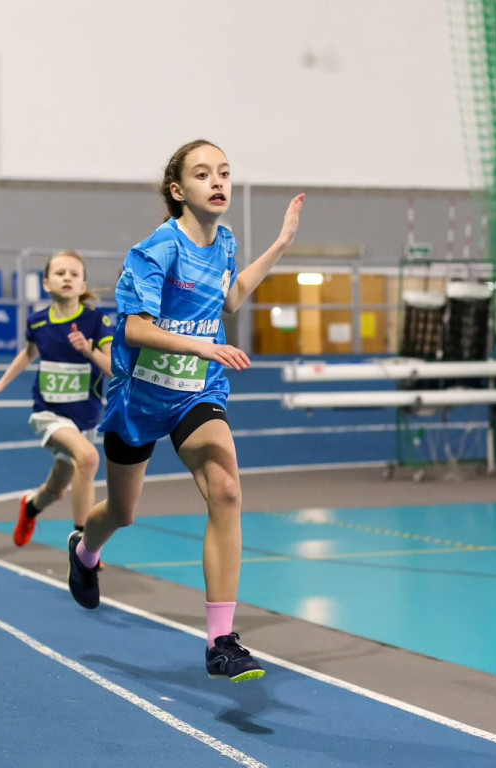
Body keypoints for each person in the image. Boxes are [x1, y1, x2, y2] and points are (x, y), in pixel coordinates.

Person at [65, 139, 305, 682]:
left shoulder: (225, 243)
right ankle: (84, 549)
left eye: (224, 172)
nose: (218, 181)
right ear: (178, 190)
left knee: (226, 490)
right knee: (123, 513)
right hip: (139, 398)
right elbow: (135, 328)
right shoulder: (156, 250)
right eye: (203, 174)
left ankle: (221, 641)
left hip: (196, 393)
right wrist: (201, 344)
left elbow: (232, 298)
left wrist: (283, 243)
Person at [0, 250, 113, 546]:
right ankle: (83, 544)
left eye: (74, 274)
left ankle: (30, 508)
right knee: (89, 459)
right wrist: (0, 384)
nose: (67, 278)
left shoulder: (96, 321)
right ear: (46, 283)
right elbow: (28, 355)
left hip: (85, 419)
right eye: (60, 273)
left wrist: (88, 351)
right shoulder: (38, 322)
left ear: (82, 285)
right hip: (48, 414)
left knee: (56, 489)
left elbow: (114, 370)